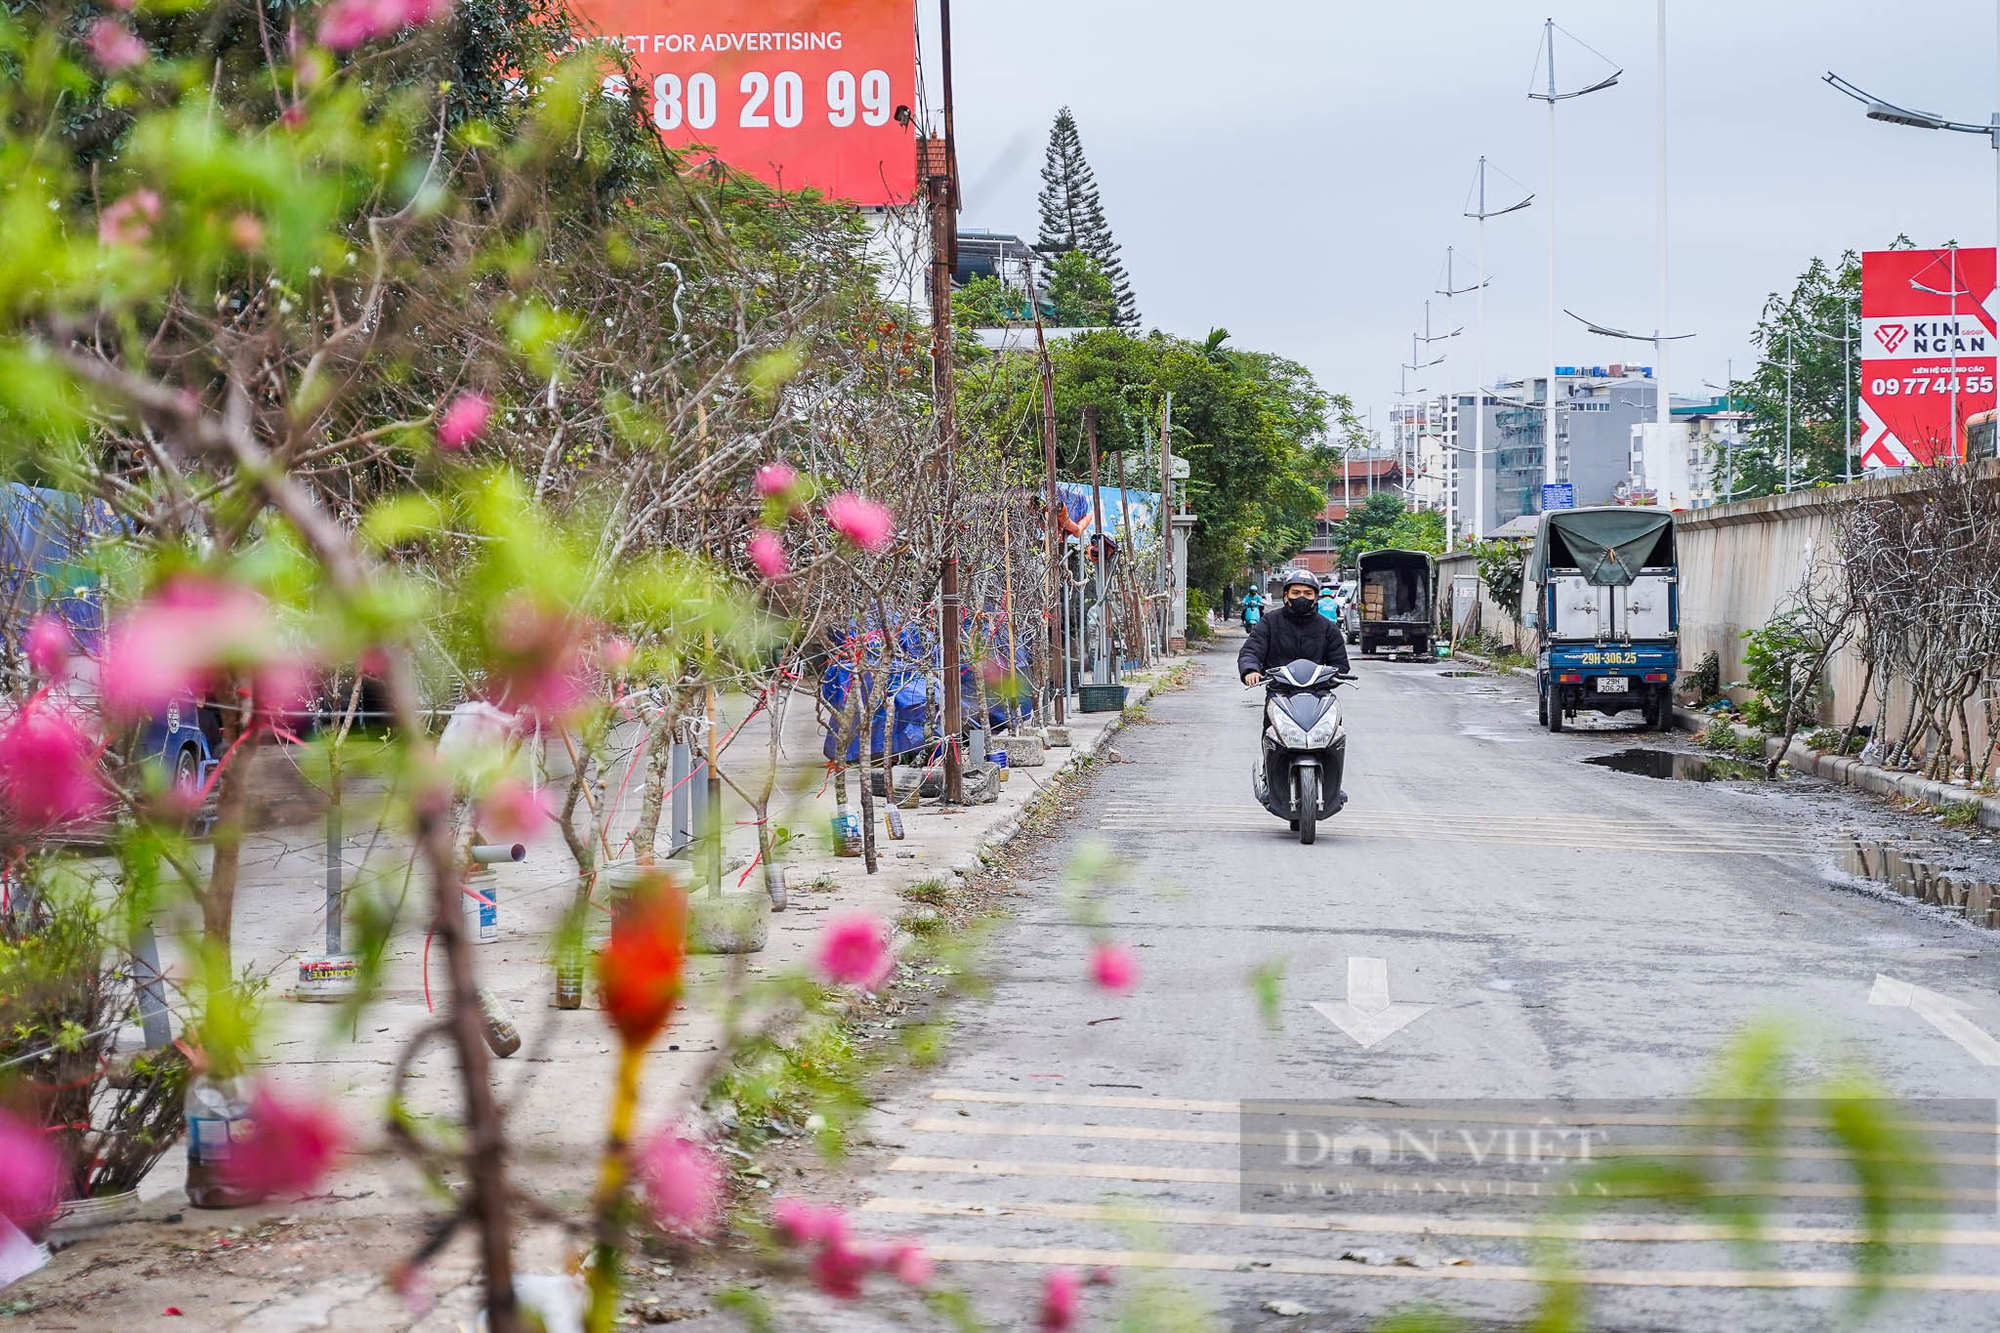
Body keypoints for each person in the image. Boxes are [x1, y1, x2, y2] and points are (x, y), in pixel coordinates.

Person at [1238, 569, 1350, 686]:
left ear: (1315, 596)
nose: (1302, 597)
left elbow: (1339, 662)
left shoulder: (1327, 627)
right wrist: (1251, 670)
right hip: (1279, 692)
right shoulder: (1269, 622)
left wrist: (1330, 679)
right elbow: (1251, 651)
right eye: (1296, 593)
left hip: (1319, 693)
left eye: (1308, 593)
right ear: (1286, 595)